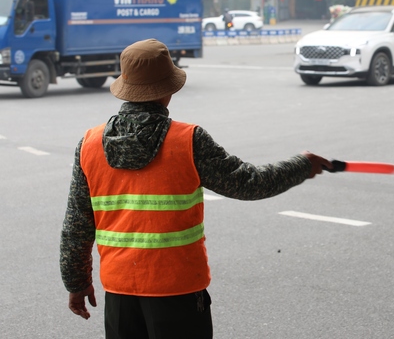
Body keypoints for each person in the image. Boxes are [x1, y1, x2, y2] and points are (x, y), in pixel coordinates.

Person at [60, 38, 332, 338]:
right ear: (167, 91)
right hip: (178, 291)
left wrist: (76, 282)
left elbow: (76, 225)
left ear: (125, 87)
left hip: (120, 293)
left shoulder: (89, 145)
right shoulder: (188, 141)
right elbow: (250, 184)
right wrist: (302, 165)